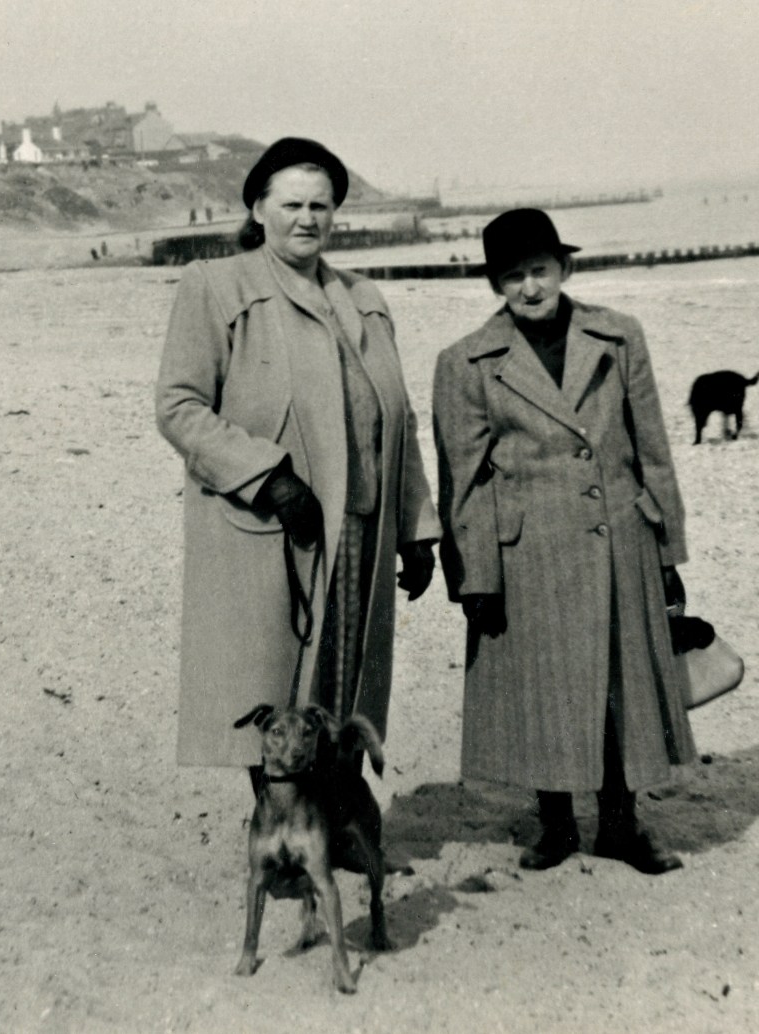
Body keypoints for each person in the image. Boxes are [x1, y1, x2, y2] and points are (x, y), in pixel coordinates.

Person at [156, 137, 440, 770]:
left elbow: (397, 419)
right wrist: (268, 478)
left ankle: (335, 814)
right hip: (273, 528)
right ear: (257, 209)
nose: (307, 218)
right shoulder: (215, 285)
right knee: (276, 692)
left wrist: (416, 527)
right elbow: (179, 406)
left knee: (343, 685)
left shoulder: (363, 295)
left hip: (361, 526)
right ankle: (286, 831)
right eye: (290, 204)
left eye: (321, 205)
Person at [432, 209, 695, 875]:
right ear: (494, 283)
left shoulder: (618, 336)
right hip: (530, 551)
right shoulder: (465, 363)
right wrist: (475, 577)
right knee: (544, 689)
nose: (529, 287)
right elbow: (461, 480)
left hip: (620, 541)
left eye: (539, 271)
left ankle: (619, 824)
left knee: (620, 688)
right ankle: (554, 825)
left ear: (564, 268)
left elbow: (652, 450)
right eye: (512, 276)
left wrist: (667, 551)